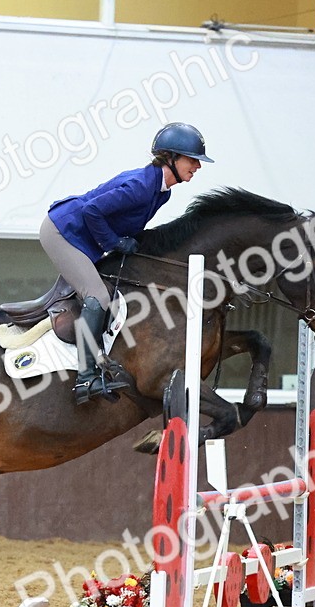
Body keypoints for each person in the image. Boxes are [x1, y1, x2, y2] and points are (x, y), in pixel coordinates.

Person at [42, 122, 213, 404]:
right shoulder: (141, 187)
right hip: (62, 232)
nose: (198, 166)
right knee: (96, 295)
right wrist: (114, 243)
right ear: (171, 157)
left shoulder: (162, 192)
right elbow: (91, 211)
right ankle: (86, 378)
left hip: (83, 237)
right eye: (193, 160)